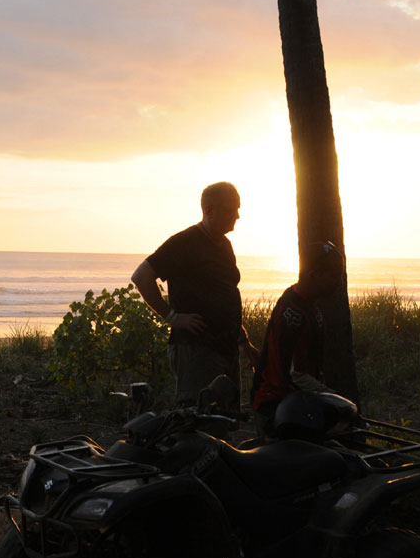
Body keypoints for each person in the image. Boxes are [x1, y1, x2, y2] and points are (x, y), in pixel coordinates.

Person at [131, 181, 259, 405]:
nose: (237, 216)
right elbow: (141, 276)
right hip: (197, 350)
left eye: (238, 209)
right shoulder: (185, 243)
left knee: (228, 418)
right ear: (209, 210)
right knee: (199, 419)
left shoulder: (225, 246)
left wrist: (243, 342)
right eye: (230, 210)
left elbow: (223, 297)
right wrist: (172, 317)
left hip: (226, 349)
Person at [251, 241, 345, 428]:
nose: (339, 282)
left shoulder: (307, 304)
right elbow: (295, 375)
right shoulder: (293, 313)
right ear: (313, 275)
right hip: (277, 405)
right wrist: (334, 398)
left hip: (295, 402)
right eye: (334, 276)